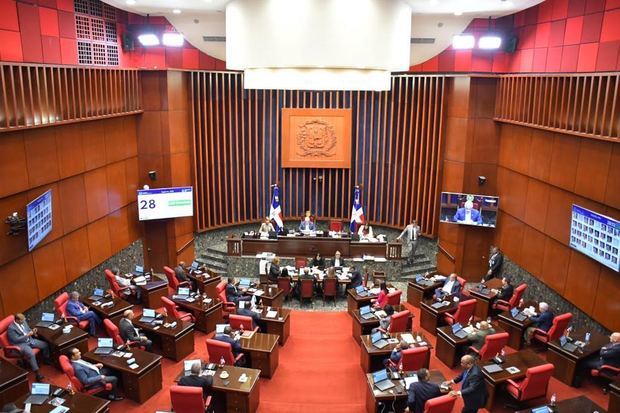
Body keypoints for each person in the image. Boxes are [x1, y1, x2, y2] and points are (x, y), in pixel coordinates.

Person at [7, 313, 50, 381]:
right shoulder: (11, 328)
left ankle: (46, 359)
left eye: (24, 319)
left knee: (45, 345)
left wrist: (33, 331)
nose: (24, 321)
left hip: (30, 340)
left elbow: (28, 329)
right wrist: (27, 335)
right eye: (22, 320)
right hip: (21, 344)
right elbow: (16, 340)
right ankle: (37, 374)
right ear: (17, 320)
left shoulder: (23, 322)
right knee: (31, 354)